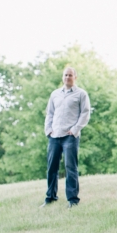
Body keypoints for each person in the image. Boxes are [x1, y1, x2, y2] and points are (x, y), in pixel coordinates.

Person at [41, 67, 91, 208]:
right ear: (62, 77)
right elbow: (49, 113)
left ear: (75, 77)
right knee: (52, 167)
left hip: (70, 136)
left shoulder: (81, 94)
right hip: (54, 136)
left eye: (70, 75)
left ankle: (73, 200)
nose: (67, 77)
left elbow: (85, 113)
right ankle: (50, 197)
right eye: (65, 75)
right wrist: (48, 130)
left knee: (71, 167)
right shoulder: (55, 94)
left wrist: (75, 129)